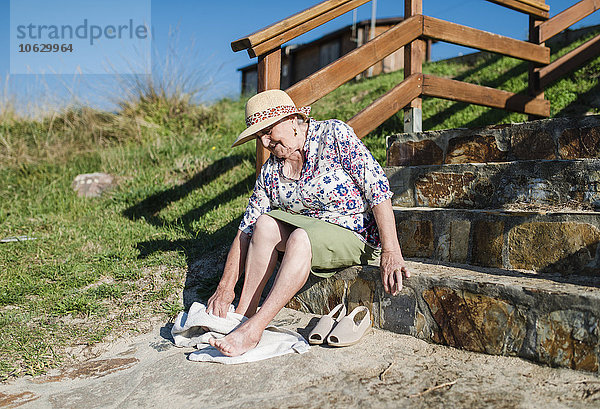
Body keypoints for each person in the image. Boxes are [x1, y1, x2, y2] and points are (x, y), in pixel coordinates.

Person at [207, 89, 409, 357]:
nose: (266, 142)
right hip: (310, 233)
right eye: (260, 137)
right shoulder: (271, 170)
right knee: (264, 224)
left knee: (300, 236)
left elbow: (378, 189)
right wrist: (225, 287)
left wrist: (391, 251)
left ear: (292, 119)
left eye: (268, 131)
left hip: (354, 234)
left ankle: (254, 330)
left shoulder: (334, 135)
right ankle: (243, 314)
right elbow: (246, 229)